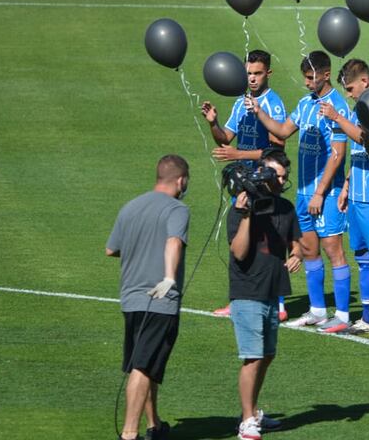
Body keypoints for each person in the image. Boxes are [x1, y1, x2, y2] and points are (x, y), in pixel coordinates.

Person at [249, 50, 352, 333]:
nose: (306, 83)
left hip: (325, 193)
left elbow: (338, 154)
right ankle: (317, 310)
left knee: (333, 250)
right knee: (308, 249)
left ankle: (343, 315)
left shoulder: (337, 107)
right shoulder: (306, 103)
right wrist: (258, 111)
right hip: (305, 192)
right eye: (305, 78)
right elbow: (283, 131)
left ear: (326, 75)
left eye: (310, 78)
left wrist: (320, 192)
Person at [106, 155, 190, 440]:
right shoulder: (177, 209)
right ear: (181, 180)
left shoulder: (130, 207)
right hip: (159, 300)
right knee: (142, 367)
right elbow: (173, 241)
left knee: (147, 362)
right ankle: (129, 433)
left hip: (130, 298)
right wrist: (169, 278)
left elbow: (111, 249)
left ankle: (155, 425)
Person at [319, 58, 369, 341]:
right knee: (364, 260)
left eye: (351, 88)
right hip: (356, 198)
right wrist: (346, 186)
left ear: (365, 81)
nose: (349, 94)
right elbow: (358, 154)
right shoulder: (357, 110)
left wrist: (337, 118)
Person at [202, 50, 288, 319]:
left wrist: (238, 154)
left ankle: (278, 303)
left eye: (257, 73)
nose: (251, 78)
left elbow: (278, 149)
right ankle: (240, 299)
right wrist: (213, 123)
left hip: (264, 184)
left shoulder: (273, 104)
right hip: (242, 184)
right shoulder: (241, 103)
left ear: (268, 73)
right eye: (248, 73)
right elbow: (225, 138)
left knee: (268, 242)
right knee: (239, 242)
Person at [227, 148, 301, 440]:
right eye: (277, 176)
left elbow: (297, 243)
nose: (281, 181)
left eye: (284, 176)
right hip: (247, 291)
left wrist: (296, 254)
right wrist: (246, 215)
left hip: (273, 291)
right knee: (253, 357)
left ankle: (252, 411)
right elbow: (239, 252)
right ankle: (247, 420)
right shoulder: (240, 208)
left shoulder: (286, 208)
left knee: (267, 355)